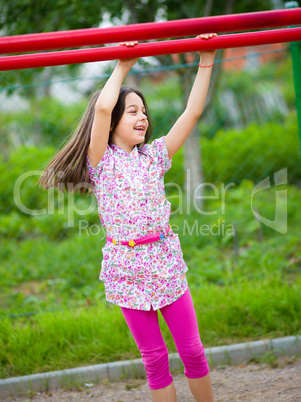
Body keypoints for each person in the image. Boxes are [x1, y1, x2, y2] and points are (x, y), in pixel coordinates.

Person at [37, 33, 217, 401]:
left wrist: (207, 59)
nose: (143, 117)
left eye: (144, 111)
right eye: (132, 111)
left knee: (193, 351)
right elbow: (101, 110)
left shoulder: (154, 156)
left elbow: (192, 113)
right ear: (116, 120)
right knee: (154, 359)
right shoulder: (101, 161)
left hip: (164, 260)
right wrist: (122, 65)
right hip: (127, 266)